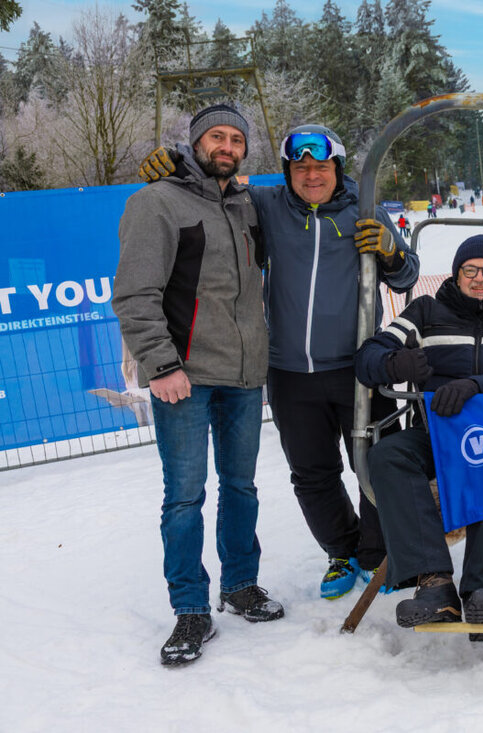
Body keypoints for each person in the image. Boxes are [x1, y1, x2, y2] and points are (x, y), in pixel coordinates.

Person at [137, 125, 421, 601]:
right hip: (288, 371)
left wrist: (391, 253)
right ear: (288, 172)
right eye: (301, 167)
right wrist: (174, 163)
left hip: (357, 367)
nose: (312, 175)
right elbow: (213, 190)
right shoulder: (264, 206)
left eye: (322, 166)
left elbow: (407, 274)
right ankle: (342, 551)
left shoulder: (364, 211)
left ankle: (377, 555)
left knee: (374, 465)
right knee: (312, 475)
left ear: (338, 170)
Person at [115, 103, 284, 667]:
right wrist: (161, 366)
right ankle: (190, 607)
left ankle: (239, 585)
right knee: (184, 497)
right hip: (183, 378)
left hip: (242, 377)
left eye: (237, 138)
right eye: (217, 136)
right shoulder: (156, 202)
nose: (227, 146)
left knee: (242, 488)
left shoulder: (247, 206)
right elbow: (135, 295)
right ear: (195, 142)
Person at [354, 235, 483, 640]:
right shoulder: (426, 310)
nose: (480, 278)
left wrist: (476, 386)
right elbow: (368, 356)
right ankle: (434, 582)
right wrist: (394, 361)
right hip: (436, 434)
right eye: (470, 270)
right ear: (457, 274)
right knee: (388, 456)